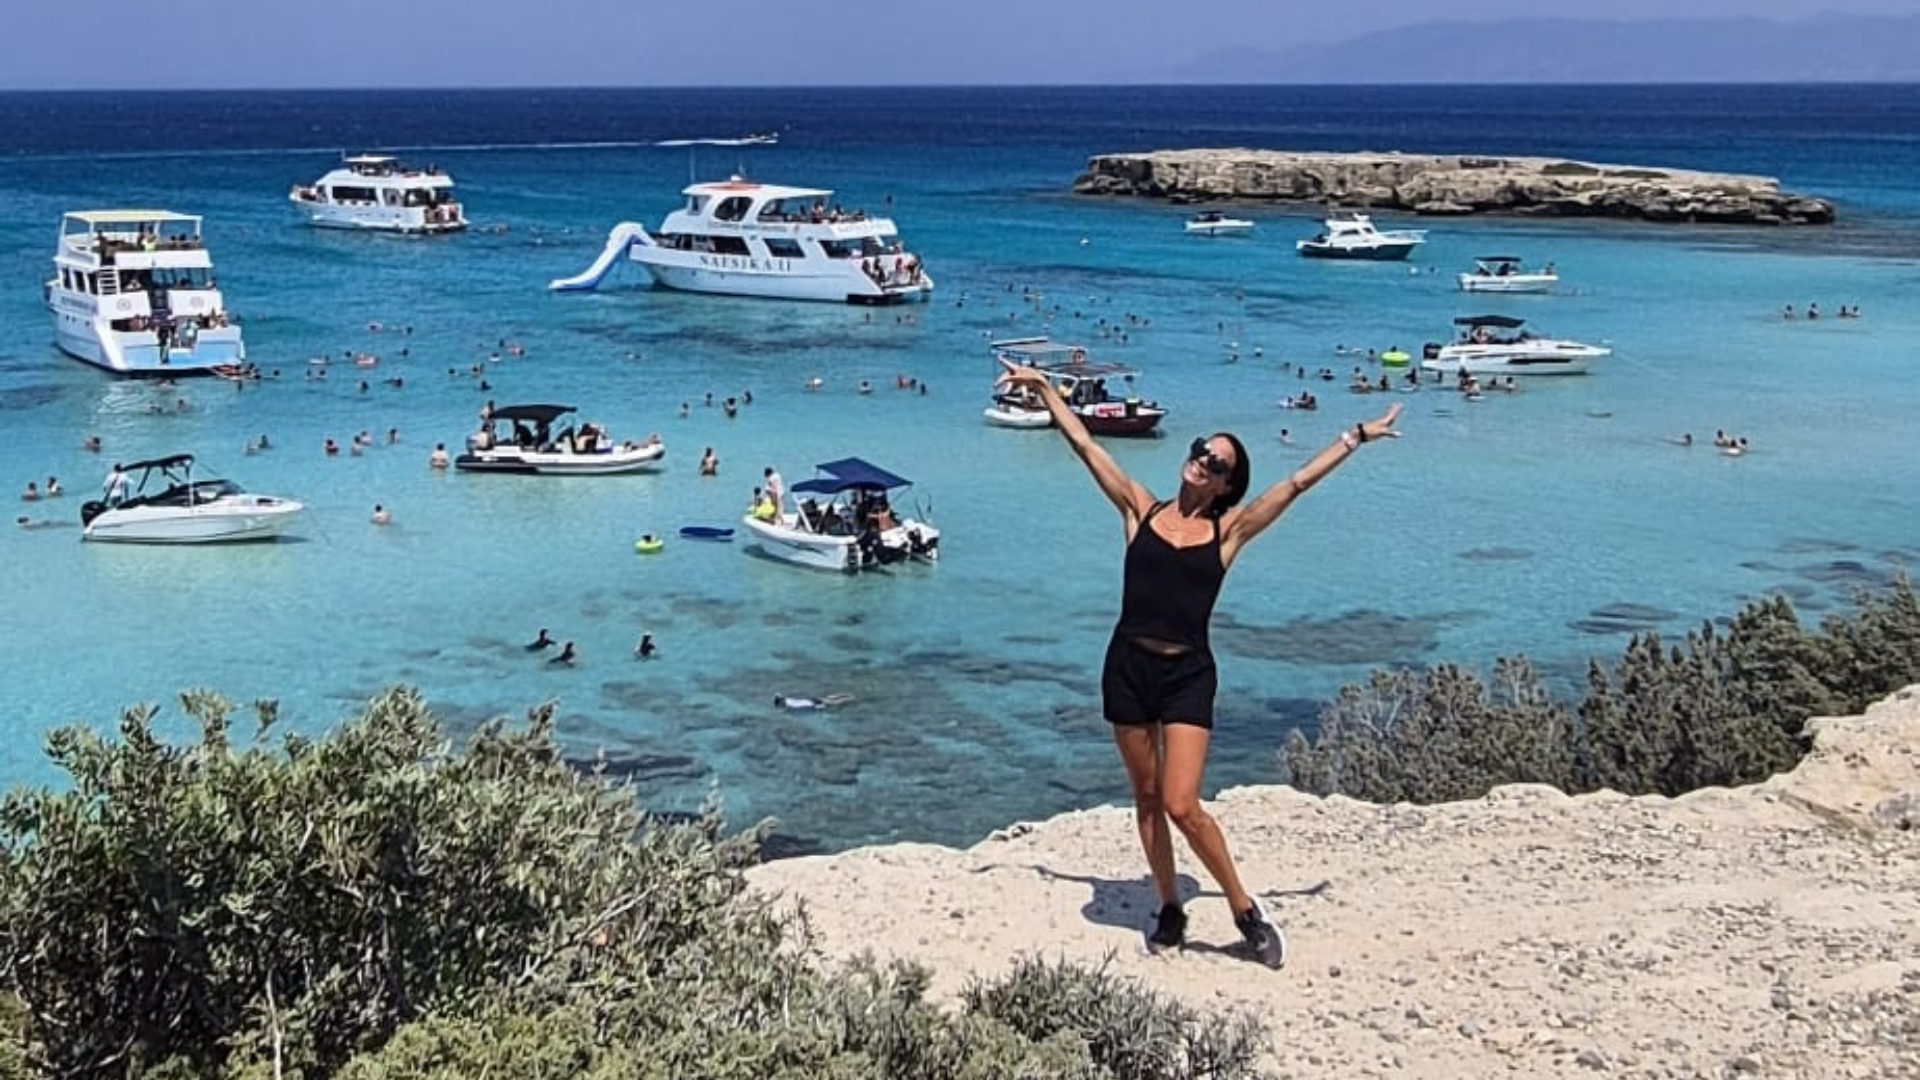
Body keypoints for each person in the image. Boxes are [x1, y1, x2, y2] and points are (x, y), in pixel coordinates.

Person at [997, 357, 1404, 968]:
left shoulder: (1230, 532)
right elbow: (1083, 444)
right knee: (1145, 797)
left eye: (1217, 464)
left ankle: (1244, 911)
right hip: (1127, 668)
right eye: (1201, 451)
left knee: (1182, 803)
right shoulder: (1139, 509)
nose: (1203, 462)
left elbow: (1292, 485)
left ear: (1224, 485)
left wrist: (1354, 438)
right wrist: (1045, 389)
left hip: (1188, 674)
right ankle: (1169, 906)